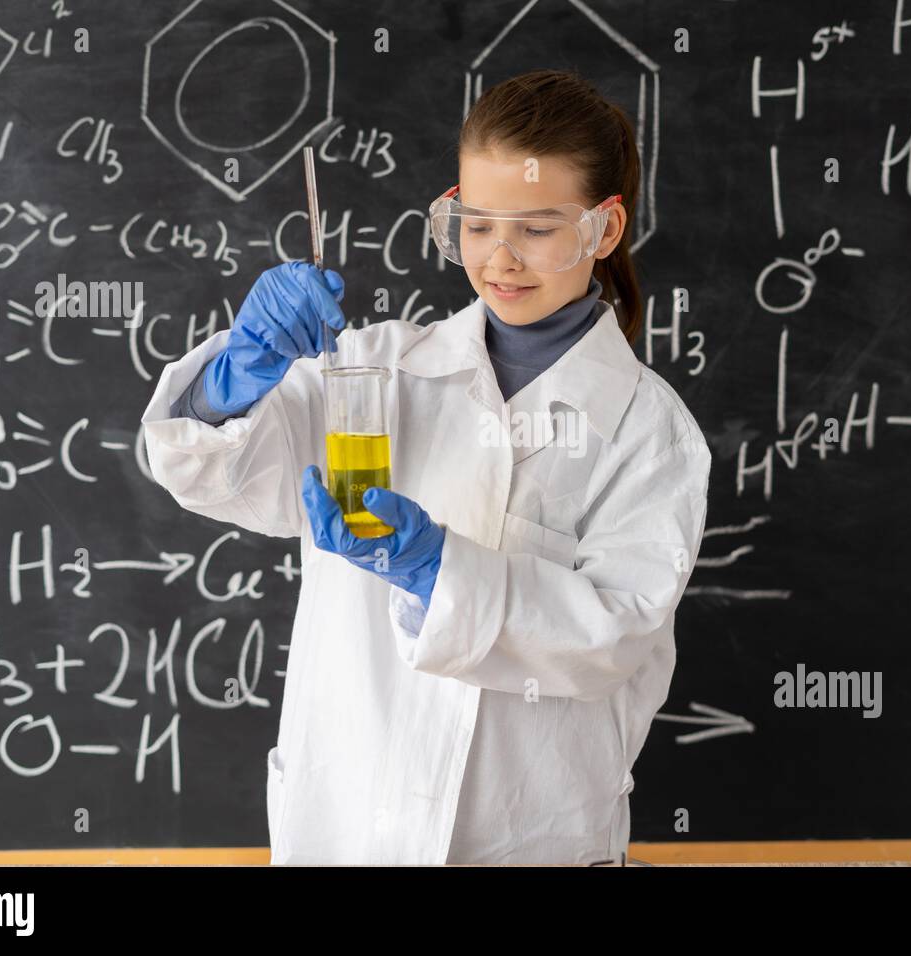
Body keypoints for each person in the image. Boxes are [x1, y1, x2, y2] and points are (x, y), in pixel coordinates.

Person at [141, 69, 711, 864]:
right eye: (476, 225)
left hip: (527, 837)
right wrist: (234, 377)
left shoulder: (649, 432)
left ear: (603, 230)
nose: (500, 259)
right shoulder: (373, 370)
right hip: (345, 828)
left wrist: (439, 570)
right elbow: (212, 474)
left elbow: (608, 641)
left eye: (538, 229)